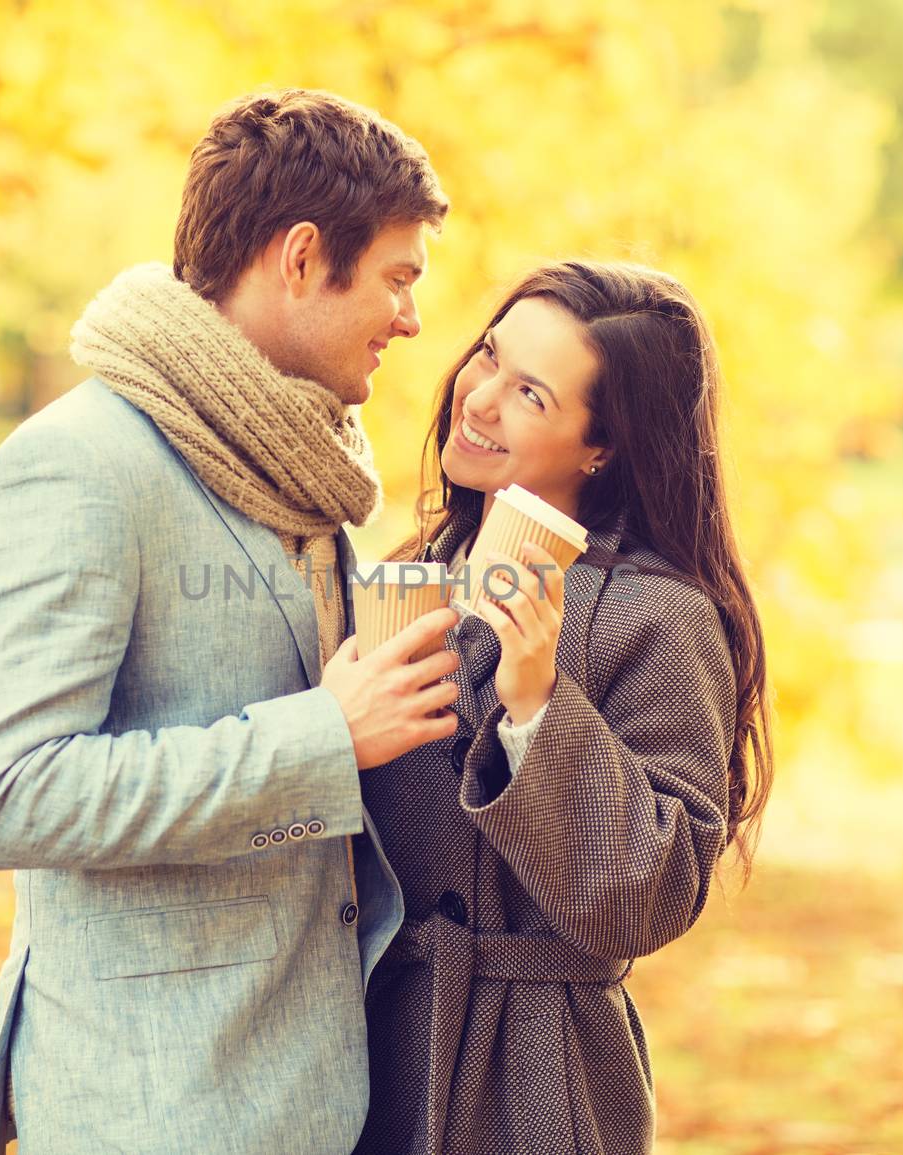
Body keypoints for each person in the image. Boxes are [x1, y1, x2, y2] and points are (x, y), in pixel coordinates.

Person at [0, 89, 456, 1155]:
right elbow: (10, 794)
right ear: (304, 257)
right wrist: (323, 739)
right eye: (398, 280)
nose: (412, 318)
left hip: (321, 1095)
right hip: (150, 1108)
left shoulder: (299, 465)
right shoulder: (78, 468)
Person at [350, 261, 776, 1155]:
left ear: (602, 446)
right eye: (489, 358)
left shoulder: (662, 614)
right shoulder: (415, 563)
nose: (480, 398)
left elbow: (648, 898)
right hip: (367, 1052)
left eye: (531, 394)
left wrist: (538, 700)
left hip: (539, 1082)